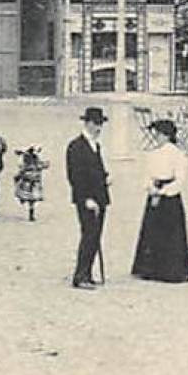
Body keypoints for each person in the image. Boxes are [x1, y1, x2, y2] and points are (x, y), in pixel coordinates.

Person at [132, 119, 188, 283]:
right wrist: (150, 187)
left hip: (169, 197)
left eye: (159, 134)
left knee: (170, 233)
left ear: (167, 135)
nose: (156, 137)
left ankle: (171, 271)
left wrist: (164, 191)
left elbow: (180, 179)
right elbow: (147, 173)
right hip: (155, 192)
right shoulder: (153, 153)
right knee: (152, 231)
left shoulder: (177, 154)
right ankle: (149, 268)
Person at [67, 107, 112, 289]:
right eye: (95, 123)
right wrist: (86, 198)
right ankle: (80, 276)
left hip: (100, 197)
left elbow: (96, 169)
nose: (99, 127)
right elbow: (75, 176)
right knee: (89, 235)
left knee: (95, 236)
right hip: (87, 200)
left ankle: (88, 272)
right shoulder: (76, 146)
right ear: (87, 123)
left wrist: (105, 178)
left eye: (101, 124)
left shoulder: (95, 145)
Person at [13, 146, 50, 221]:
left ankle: (23, 201)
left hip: (27, 182)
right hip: (34, 183)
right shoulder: (36, 163)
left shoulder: (26, 163)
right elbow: (43, 166)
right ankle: (31, 214)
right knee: (32, 200)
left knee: (25, 194)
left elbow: (21, 169)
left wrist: (18, 176)